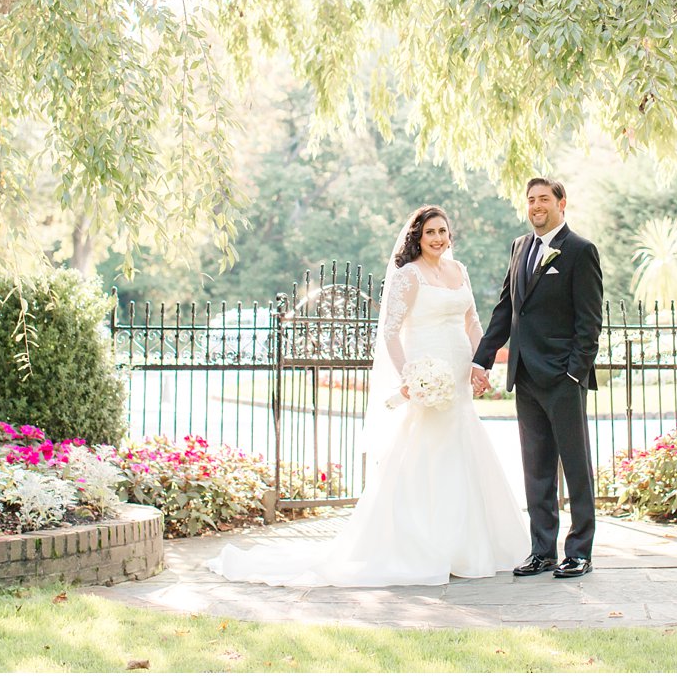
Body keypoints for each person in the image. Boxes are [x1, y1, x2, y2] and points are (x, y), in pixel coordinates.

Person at [210, 206, 528, 587]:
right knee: (425, 454)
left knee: (464, 449)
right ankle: (422, 545)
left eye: (443, 231)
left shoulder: (459, 272)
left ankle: (470, 547)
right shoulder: (409, 276)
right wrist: (410, 376)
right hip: (426, 373)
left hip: (458, 374)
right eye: (430, 232)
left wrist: (482, 365)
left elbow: (473, 322)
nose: (438, 238)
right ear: (418, 237)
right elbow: (391, 333)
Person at [471, 176, 603, 579]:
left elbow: (590, 322)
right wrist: (483, 359)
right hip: (525, 376)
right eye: (531, 200)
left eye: (544, 199)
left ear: (562, 203)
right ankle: (542, 550)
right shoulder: (519, 247)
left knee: (575, 467)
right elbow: (506, 310)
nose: (536, 206)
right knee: (537, 468)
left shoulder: (580, 251)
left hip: (563, 378)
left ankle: (579, 551)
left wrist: (573, 372)